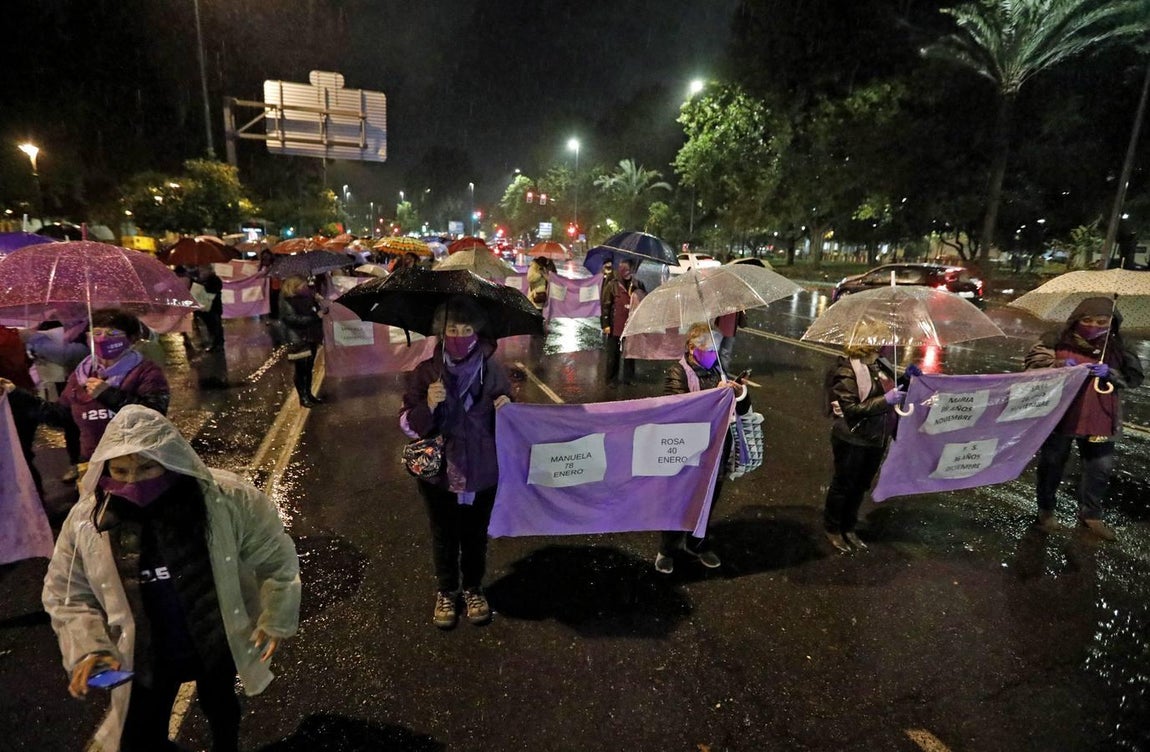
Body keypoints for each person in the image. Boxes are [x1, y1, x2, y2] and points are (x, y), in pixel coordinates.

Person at [41, 405, 300, 752]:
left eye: (147, 467)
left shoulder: (226, 499)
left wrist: (276, 617)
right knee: (140, 737)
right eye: (120, 470)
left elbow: (275, 555)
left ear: (171, 461)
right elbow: (67, 592)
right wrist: (88, 647)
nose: (133, 482)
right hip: (148, 654)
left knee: (220, 705)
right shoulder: (86, 521)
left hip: (214, 639)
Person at [400, 296, 513, 629]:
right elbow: (407, 423)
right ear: (441, 331)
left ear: (477, 331)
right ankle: (447, 591)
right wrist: (428, 407)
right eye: (452, 328)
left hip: (482, 467)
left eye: (466, 328)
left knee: (475, 534)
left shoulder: (492, 370)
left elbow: (509, 421)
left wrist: (507, 406)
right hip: (438, 472)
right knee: (444, 534)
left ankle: (474, 588)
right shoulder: (426, 373)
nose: (460, 334)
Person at [1024, 297, 1144, 540]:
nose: (1093, 326)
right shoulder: (1056, 338)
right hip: (1061, 416)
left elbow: (1134, 378)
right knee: (1052, 465)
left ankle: (1091, 514)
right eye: (1087, 320)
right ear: (1076, 319)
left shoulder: (1118, 344)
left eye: (1102, 321)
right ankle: (1045, 510)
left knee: (1100, 468)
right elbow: (1032, 364)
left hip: (1100, 416)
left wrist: (1111, 373)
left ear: (1112, 322)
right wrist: (1056, 364)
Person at [6, 309, 170, 480]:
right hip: (94, 464)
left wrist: (108, 394)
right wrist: (16, 394)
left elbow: (153, 415)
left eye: (112, 333)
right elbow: (61, 415)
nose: (102, 338)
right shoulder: (81, 375)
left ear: (131, 338)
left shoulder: (146, 372)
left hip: (134, 466)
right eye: (97, 332)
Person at [654, 323, 750, 574]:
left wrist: (739, 394)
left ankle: (697, 543)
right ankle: (668, 548)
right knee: (681, 499)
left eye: (714, 348)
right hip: (689, 451)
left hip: (717, 448)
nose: (711, 353)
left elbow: (739, 409)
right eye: (706, 349)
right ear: (691, 347)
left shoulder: (719, 369)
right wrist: (713, 396)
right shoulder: (679, 373)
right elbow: (678, 411)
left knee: (709, 497)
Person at [822, 327, 906, 553]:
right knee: (843, 484)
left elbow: (893, 387)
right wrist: (885, 401)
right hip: (852, 438)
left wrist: (909, 378)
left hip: (876, 438)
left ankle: (849, 526)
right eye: (882, 340)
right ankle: (832, 527)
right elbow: (852, 409)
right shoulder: (847, 371)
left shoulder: (880, 365)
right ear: (868, 343)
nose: (887, 344)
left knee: (861, 485)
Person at [278, 276, 326, 408]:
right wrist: (315, 316)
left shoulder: (308, 295)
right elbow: (291, 319)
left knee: (309, 368)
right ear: (294, 286)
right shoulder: (286, 298)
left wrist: (318, 302)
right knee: (301, 369)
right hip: (297, 339)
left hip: (311, 336)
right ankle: (303, 397)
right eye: (302, 286)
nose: (305, 288)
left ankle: (309, 394)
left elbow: (316, 310)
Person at [600, 258, 646, 385]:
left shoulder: (638, 284)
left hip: (631, 325)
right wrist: (605, 324)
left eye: (628, 269)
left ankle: (629, 378)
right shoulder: (612, 285)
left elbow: (644, 300)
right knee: (613, 355)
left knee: (630, 354)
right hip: (615, 325)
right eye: (623, 269)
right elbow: (605, 306)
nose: (626, 272)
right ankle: (611, 379)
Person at [193, 266, 225, 352]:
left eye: (204, 270)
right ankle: (215, 343)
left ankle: (218, 344)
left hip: (214, 308)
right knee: (210, 326)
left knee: (216, 326)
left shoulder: (214, 280)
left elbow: (213, 291)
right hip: (206, 308)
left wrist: (203, 285)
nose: (202, 272)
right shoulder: (201, 280)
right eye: (201, 270)